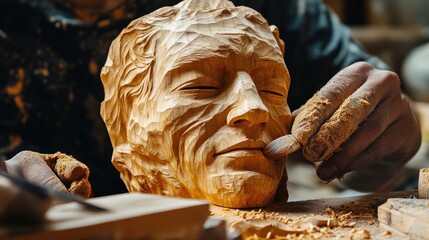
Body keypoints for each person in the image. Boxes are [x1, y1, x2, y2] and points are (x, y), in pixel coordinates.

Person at [0, 0, 421, 201]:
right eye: (198, 87)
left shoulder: (282, 10)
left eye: (271, 89)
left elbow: (377, 104)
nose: (255, 108)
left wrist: (385, 149)